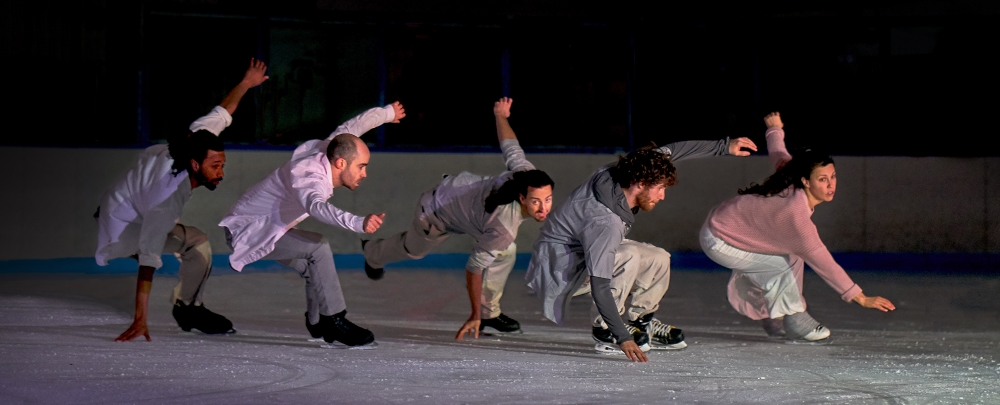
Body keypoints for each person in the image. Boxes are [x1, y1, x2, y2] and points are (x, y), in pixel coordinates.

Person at [527, 133, 758, 362]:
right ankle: (605, 329)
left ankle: (642, 323)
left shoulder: (633, 169)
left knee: (658, 257)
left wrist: (724, 146)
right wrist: (622, 337)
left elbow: (675, 150)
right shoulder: (605, 222)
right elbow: (600, 284)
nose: (662, 196)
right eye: (659, 189)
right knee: (628, 255)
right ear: (641, 184)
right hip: (558, 271)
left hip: (580, 254)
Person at [96, 58, 269, 342]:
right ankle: (188, 309)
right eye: (215, 166)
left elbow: (223, 111)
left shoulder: (196, 141)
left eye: (222, 165)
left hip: (121, 205)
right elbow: (148, 259)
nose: (221, 173)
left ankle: (189, 305)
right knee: (196, 242)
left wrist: (246, 84)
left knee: (194, 240)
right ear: (195, 164)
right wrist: (140, 319)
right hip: (123, 230)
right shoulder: (168, 196)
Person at [361, 97, 553, 340]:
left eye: (547, 200)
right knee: (412, 249)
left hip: (465, 204)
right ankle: (371, 253)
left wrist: (500, 116)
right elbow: (473, 268)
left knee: (506, 251)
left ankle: (490, 314)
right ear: (522, 197)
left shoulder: (525, 175)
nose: (543, 208)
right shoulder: (503, 225)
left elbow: (511, 146)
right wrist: (474, 315)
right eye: (536, 201)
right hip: (436, 210)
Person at [219, 101, 406, 348]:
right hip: (248, 230)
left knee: (312, 261)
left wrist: (387, 114)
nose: (364, 174)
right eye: (361, 167)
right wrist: (358, 222)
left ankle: (318, 322)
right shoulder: (309, 177)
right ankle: (335, 320)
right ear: (341, 164)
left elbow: (353, 127)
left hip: (266, 226)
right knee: (318, 248)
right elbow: (317, 207)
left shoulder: (329, 150)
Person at [700, 112, 895, 342]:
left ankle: (775, 317)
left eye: (833, 177)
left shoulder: (792, 175)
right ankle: (794, 318)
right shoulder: (797, 220)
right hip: (719, 238)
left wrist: (774, 128)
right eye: (822, 179)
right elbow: (825, 264)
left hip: (729, 225)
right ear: (806, 181)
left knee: (791, 259)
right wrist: (861, 298)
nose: (831, 185)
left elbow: (778, 152)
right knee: (780, 267)